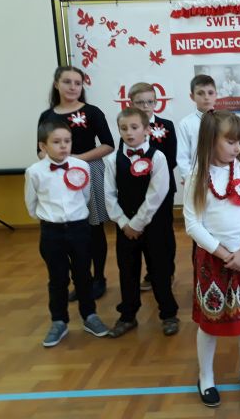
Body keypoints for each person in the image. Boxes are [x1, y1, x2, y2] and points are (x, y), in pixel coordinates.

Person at [183, 110, 240, 408]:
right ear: (210, 140)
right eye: (230, 142)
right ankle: (206, 375)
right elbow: (193, 224)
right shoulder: (197, 176)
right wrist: (221, 252)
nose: (237, 147)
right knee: (210, 321)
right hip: (212, 259)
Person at [25, 121, 109, 347]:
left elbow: (85, 195)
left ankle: (89, 315)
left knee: (83, 275)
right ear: (43, 146)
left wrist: (74, 216)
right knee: (57, 278)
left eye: (67, 141)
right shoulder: (34, 172)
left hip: (79, 228)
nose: (63, 146)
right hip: (51, 232)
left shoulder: (81, 166)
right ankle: (59, 321)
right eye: (56, 142)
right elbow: (31, 204)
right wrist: (50, 219)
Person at [38, 66, 114, 301]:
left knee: (94, 229)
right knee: (69, 230)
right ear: (56, 84)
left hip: (89, 171)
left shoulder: (92, 112)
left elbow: (108, 145)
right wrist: (60, 162)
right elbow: (40, 151)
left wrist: (77, 160)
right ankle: (81, 280)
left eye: (77, 83)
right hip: (58, 176)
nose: (73, 87)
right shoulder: (47, 116)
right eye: (67, 82)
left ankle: (98, 278)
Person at [104, 108, 180, 338]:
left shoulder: (158, 157)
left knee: (159, 269)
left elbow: (157, 194)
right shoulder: (112, 160)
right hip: (125, 226)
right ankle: (128, 315)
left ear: (147, 130)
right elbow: (109, 195)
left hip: (153, 224)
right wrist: (123, 222)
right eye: (123, 128)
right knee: (127, 270)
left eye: (134, 127)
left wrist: (137, 223)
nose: (129, 132)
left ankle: (168, 313)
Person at [127, 83, 178, 292]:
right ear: (131, 103)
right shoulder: (128, 127)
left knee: (163, 232)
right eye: (140, 102)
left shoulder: (167, 125)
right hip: (137, 190)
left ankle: (167, 271)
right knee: (145, 232)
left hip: (163, 189)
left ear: (156, 102)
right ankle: (151, 272)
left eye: (150, 102)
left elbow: (172, 158)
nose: (146, 106)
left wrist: (153, 173)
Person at [176, 74, 217, 183]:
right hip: (197, 178)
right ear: (192, 96)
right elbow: (183, 157)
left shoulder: (224, 121)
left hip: (223, 176)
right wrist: (190, 180)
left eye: (210, 93)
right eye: (200, 93)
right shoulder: (185, 124)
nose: (206, 97)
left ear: (216, 95)